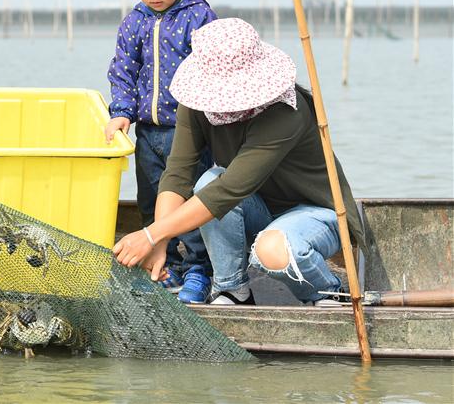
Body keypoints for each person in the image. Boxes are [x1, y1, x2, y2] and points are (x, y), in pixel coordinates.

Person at [113, 18, 367, 306]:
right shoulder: (197, 102)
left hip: (316, 213)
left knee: (272, 248)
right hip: (258, 210)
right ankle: (232, 288)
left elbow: (229, 190)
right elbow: (177, 174)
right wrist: (159, 242)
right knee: (207, 180)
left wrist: (149, 234)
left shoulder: (285, 111)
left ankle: (329, 292)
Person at [105, 0, 218, 304]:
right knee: (151, 201)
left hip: (189, 133)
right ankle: (164, 264)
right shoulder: (135, 21)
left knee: (188, 203)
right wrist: (121, 112)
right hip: (148, 134)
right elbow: (123, 70)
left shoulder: (196, 15)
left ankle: (200, 269)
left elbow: (214, 68)